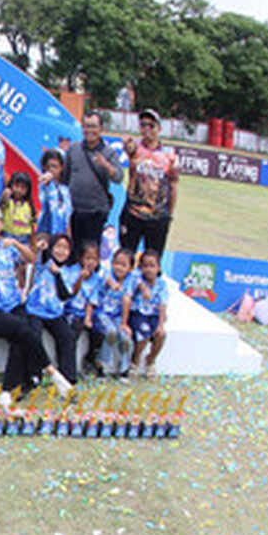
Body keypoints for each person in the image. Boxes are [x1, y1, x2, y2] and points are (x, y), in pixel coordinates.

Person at [0, 204, 72, 401]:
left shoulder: (7, 247)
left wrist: (16, 243)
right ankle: (52, 372)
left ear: (1, 222)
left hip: (14, 305)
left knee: (23, 335)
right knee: (22, 329)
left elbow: (31, 258)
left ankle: (9, 390)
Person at [61, 111, 122, 252]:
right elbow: (65, 178)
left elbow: (118, 178)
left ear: (101, 129)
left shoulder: (109, 152)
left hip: (96, 212)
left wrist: (106, 165)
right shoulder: (74, 149)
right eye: (86, 126)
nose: (89, 130)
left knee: (91, 252)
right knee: (73, 251)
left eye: (93, 126)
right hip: (74, 211)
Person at [24, 234, 80, 385]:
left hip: (55, 313)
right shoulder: (44, 263)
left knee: (67, 336)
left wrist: (58, 275)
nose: (61, 251)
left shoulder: (69, 271)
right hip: (34, 310)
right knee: (33, 335)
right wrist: (42, 247)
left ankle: (68, 377)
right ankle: (34, 374)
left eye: (65, 248)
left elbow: (64, 295)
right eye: (58, 247)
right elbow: (39, 255)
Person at [121, 109, 179, 254]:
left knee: (152, 260)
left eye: (151, 125)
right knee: (126, 255)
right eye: (143, 125)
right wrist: (127, 144)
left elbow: (173, 186)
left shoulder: (169, 155)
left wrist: (169, 214)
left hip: (158, 216)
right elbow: (128, 148)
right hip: (133, 213)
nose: (147, 129)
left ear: (159, 128)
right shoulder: (135, 148)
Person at [85, 248, 136, 377]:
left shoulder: (131, 280)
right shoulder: (106, 274)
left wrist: (124, 323)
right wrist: (88, 317)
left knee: (125, 337)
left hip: (117, 317)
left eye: (123, 265)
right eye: (117, 263)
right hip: (101, 314)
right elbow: (105, 281)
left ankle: (124, 369)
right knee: (111, 332)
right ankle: (101, 363)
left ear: (130, 268)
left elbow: (126, 300)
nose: (119, 267)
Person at [126, 249, 168, 377]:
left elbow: (162, 304)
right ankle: (135, 360)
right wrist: (142, 287)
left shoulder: (161, 284)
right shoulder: (136, 278)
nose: (149, 269)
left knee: (161, 335)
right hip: (138, 314)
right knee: (142, 335)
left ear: (158, 268)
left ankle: (151, 359)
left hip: (153, 315)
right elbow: (132, 287)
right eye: (145, 266)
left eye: (152, 266)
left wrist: (161, 324)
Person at [63, 241, 102, 377]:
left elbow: (92, 301)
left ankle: (90, 359)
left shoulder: (97, 279)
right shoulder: (71, 272)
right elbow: (71, 293)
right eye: (88, 258)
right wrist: (80, 278)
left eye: (94, 259)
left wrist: (88, 318)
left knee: (99, 331)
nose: (91, 262)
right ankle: (67, 367)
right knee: (72, 333)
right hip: (71, 311)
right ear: (80, 259)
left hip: (85, 312)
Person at [36, 149, 73, 237]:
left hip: (62, 235)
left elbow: (68, 214)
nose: (51, 169)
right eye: (48, 166)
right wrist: (47, 181)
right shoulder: (43, 185)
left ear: (61, 168)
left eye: (55, 166)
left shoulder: (65, 190)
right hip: (45, 233)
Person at [0, 172, 34, 244]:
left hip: (24, 239)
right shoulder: (8, 201)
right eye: (16, 186)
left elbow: (32, 224)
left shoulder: (29, 206)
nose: (19, 190)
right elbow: (1, 203)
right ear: (11, 185)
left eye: (23, 188)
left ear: (27, 190)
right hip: (8, 236)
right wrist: (5, 195)